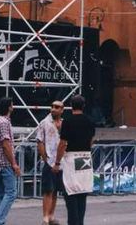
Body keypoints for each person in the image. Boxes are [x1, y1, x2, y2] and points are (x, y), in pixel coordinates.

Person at [54, 95, 96, 225]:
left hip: (71, 158)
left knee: (71, 195)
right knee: (82, 194)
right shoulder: (89, 120)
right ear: (83, 106)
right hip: (85, 158)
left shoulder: (68, 121)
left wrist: (57, 162)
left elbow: (62, 143)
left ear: (71, 106)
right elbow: (91, 140)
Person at [0, 97, 20, 225]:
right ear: (9, 107)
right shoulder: (4, 123)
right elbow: (6, 144)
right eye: (12, 105)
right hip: (4, 162)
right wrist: (14, 163)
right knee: (11, 193)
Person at [37, 101, 64, 225]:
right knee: (48, 190)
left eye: (57, 107)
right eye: (52, 107)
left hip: (61, 161)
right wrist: (45, 158)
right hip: (50, 160)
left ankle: (51, 215)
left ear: (62, 110)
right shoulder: (44, 123)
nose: (53, 109)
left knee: (56, 190)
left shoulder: (63, 123)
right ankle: (45, 217)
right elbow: (40, 141)